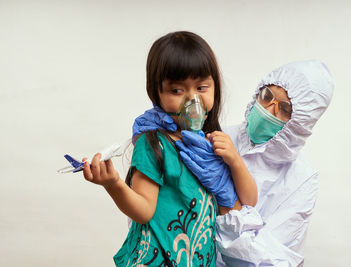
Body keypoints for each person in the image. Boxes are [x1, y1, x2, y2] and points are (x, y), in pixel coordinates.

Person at [133, 60, 334, 266]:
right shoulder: (216, 138)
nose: (268, 110)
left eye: (284, 108)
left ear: (301, 122)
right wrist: (157, 141)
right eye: (267, 96)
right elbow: (162, 205)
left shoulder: (302, 180)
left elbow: (270, 262)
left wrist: (229, 201)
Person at [81, 31, 257, 266]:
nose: (192, 99)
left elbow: (249, 202)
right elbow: (143, 211)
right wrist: (114, 185)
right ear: (157, 93)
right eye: (177, 90)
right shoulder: (153, 143)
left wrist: (234, 161)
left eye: (202, 87)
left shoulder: (213, 143)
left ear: (215, 86)